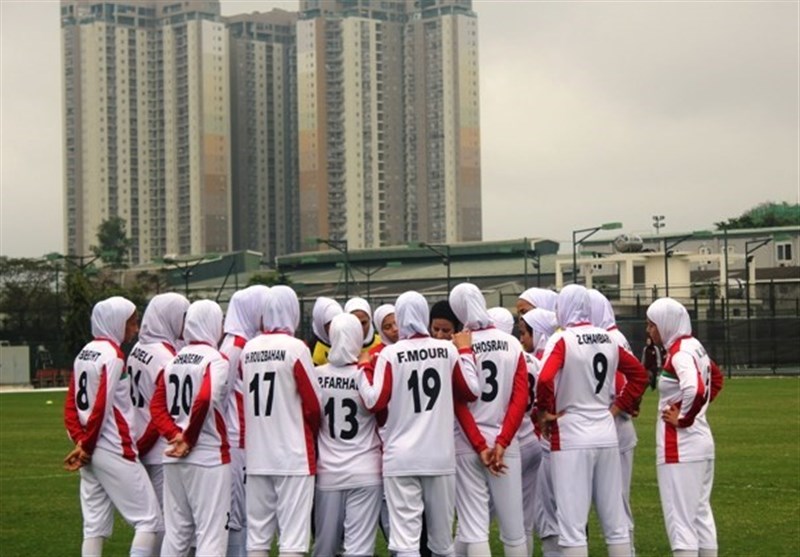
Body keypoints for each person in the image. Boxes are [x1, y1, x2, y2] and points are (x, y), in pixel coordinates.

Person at [357, 290, 482, 557]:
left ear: (401, 318)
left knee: (405, 541)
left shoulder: (390, 354)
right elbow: (471, 391)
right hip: (439, 456)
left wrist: (362, 370)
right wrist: (466, 352)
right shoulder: (447, 349)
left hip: (400, 457)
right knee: (442, 542)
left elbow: (373, 401)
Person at [536, 284, 648, 557]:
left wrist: (545, 411)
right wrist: (618, 406)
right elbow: (640, 375)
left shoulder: (562, 339)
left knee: (572, 525)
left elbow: (545, 378)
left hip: (571, 434)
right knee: (615, 524)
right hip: (606, 433)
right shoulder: (609, 337)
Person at [63, 296, 163, 557]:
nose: (134, 329)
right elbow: (102, 407)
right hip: (113, 447)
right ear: (115, 322)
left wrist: (79, 443)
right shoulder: (114, 355)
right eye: (130, 323)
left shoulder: (84, 353)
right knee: (149, 520)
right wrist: (87, 444)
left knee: (93, 526)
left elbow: (70, 405)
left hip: (89, 451)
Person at [241, 285, 322, 556]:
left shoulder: (248, 349)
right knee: (293, 538)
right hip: (292, 454)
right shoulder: (296, 348)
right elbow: (313, 405)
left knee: (257, 537)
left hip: (257, 455)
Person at [449, 283, 529, 557]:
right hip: (505, 445)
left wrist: (479, 444)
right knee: (514, 530)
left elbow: (459, 403)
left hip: (468, 444)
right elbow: (520, 401)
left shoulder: (457, 345)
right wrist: (503, 442)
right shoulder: (512, 343)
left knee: (473, 528)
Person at [150, 299, 232, 556]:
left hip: (173, 456)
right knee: (211, 533)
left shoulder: (173, 361)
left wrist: (174, 435)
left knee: (176, 533)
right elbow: (206, 398)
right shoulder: (217, 360)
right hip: (208, 456)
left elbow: (156, 406)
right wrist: (189, 438)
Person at [646, 297, 724, 557]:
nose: (649, 331)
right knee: (701, 515)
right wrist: (698, 411)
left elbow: (696, 388)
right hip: (701, 442)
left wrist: (685, 418)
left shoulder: (679, 354)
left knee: (680, 522)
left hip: (679, 446)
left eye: (652, 325)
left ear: (666, 324)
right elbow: (717, 379)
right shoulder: (695, 346)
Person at [313, 313, 383, 557]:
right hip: (366, 469)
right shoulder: (367, 373)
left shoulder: (317, 374)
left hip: (329, 471)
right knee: (360, 549)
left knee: (324, 547)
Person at [219, 285, 270, 557]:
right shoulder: (235, 346)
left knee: (253, 510)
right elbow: (220, 395)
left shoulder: (250, 342)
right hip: (237, 440)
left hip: (249, 440)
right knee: (238, 511)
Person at [129, 292, 190, 516]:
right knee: (167, 520)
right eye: (183, 316)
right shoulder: (165, 357)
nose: (187, 323)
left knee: (153, 517)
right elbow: (161, 407)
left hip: (141, 438)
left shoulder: (137, 348)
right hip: (160, 446)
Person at [589, 289, 641, 553]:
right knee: (616, 500)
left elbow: (625, 381)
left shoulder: (608, 338)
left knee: (617, 501)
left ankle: (628, 551)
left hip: (614, 431)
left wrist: (618, 407)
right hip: (614, 430)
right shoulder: (611, 335)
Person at [518, 308, 558, 556]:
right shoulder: (543, 356)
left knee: (544, 515)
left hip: (539, 440)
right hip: (542, 441)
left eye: (524, 333)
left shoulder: (542, 360)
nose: (521, 339)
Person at [310, 297, 344, 365]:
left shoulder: (348, 341)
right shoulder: (312, 350)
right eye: (330, 323)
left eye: (339, 321)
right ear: (321, 324)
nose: (336, 326)